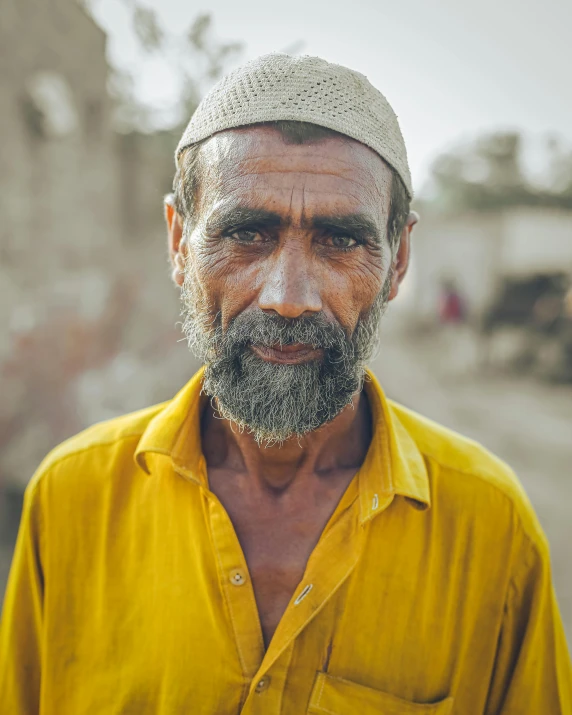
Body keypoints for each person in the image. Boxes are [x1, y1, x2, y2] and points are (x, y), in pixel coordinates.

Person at [1, 54, 570, 715]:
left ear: (399, 260)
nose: (289, 297)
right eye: (247, 233)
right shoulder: (72, 497)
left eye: (339, 240)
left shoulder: (490, 528)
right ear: (180, 242)